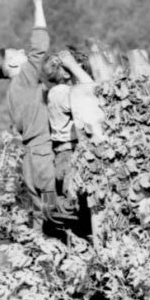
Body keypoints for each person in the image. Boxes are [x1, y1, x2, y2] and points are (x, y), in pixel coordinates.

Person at [0, 0, 59, 225]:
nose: (22, 51)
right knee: (57, 217)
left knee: (44, 221)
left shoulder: (12, 93)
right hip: (43, 158)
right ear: (12, 64)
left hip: (32, 161)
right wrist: (38, 3)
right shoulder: (24, 79)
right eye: (16, 53)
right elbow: (40, 46)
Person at [43, 49, 104, 195]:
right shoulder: (61, 92)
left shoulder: (62, 91)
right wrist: (74, 66)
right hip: (69, 156)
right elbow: (93, 91)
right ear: (66, 73)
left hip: (67, 154)